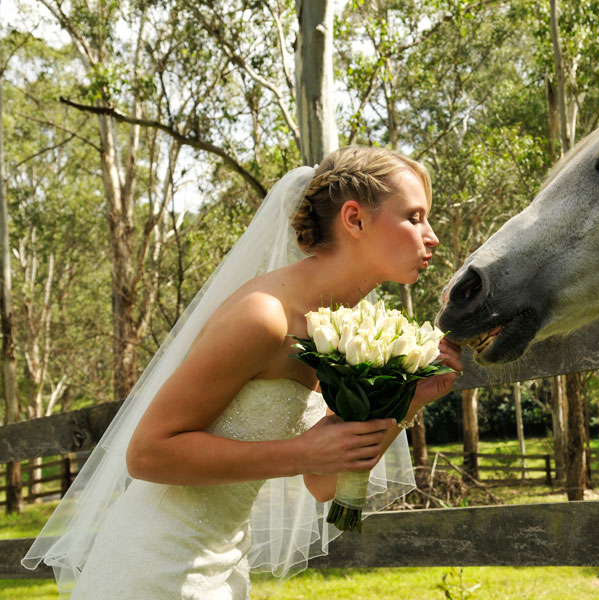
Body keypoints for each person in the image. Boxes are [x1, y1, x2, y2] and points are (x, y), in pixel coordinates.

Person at [22, 146, 463, 599]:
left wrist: (409, 400)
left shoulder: (340, 328)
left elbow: (324, 482)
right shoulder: (264, 316)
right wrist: (300, 453)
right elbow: (147, 453)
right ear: (355, 219)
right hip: (156, 567)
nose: (431, 236)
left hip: (225, 565)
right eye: (414, 217)